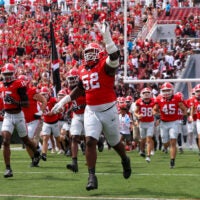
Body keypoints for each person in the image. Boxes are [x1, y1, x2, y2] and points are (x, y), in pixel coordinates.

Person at [52, 21, 131, 190]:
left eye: (92, 52)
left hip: (108, 109)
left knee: (115, 142)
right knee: (89, 142)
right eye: (87, 53)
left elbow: (115, 57)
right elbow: (79, 89)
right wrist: (64, 101)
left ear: (100, 53)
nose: (88, 55)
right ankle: (91, 176)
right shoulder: (82, 69)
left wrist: (108, 38)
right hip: (91, 110)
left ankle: (125, 159)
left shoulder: (105, 65)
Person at [0, 63, 41, 178]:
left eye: (9, 74)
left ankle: (36, 152)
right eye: (5, 74)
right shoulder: (1, 85)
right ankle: (8, 169)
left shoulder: (19, 84)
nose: (7, 76)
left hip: (18, 115)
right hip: (7, 116)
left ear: (14, 74)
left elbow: (26, 104)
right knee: (6, 141)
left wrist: (14, 102)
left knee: (26, 140)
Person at [153, 82, 187, 169]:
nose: (166, 92)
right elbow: (154, 110)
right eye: (164, 90)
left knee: (173, 141)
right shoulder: (159, 99)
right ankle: (165, 147)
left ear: (172, 90)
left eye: (168, 90)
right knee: (165, 143)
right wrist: (157, 115)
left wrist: (184, 117)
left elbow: (184, 109)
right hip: (163, 123)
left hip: (174, 122)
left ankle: (172, 161)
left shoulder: (176, 98)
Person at [19, 75, 47, 167]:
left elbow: (44, 100)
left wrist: (40, 111)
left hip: (34, 120)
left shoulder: (31, 91)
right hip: (24, 121)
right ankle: (34, 159)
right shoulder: (17, 93)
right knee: (27, 142)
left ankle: (38, 149)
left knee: (29, 140)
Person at [65, 68, 86, 172]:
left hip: (88, 115)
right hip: (77, 116)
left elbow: (91, 101)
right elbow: (73, 104)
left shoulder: (83, 89)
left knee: (89, 138)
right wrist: (69, 110)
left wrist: (81, 106)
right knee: (73, 137)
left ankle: (99, 140)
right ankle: (74, 163)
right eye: (70, 79)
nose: (72, 81)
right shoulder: (69, 89)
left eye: (73, 78)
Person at [134, 87, 156, 163]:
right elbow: (135, 112)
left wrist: (157, 116)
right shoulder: (139, 102)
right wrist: (138, 116)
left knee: (149, 139)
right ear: (142, 95)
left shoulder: (154, 101)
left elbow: (157, 110)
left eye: (148, 94)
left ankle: (148, 156)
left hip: (150, 122)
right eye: (144, 94)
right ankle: (142, 150)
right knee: (142, 139)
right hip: (142, 123)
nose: (146, 96)